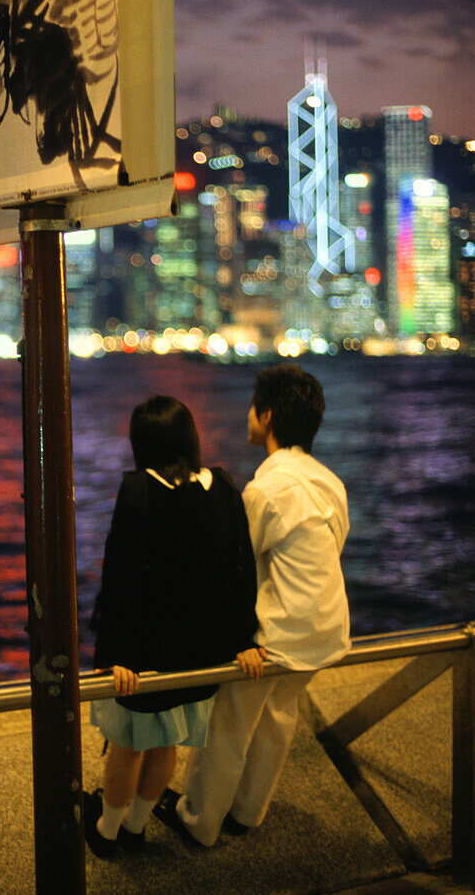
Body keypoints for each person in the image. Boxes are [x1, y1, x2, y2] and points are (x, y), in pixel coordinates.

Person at [154, 363, 350, 846]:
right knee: (278, 721)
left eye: (252, 409)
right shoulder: (329, 482)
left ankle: (199, 820)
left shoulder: (266, 489)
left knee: (229, 728)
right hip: (324, 627)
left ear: (266, 416)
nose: (247, 417)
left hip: (275, 636)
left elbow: (238, 561)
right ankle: (247, 814)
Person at [83, 395, 259, 859]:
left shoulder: (138, 490)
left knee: (126, 747)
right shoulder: (221, 485)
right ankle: (137, 828)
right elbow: (241, 570)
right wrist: (244, 641)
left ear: (140, 443)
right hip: (201, 654)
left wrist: (115, 656)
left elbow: (119, 579)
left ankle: (106, 831)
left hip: (144, 653)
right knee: (166, 743)